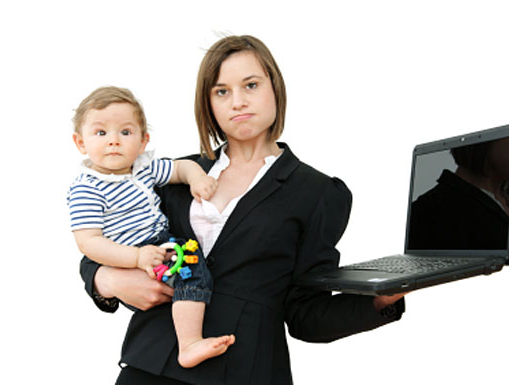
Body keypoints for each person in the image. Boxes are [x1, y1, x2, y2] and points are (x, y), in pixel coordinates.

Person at [80, 36, 407, 385]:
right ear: (208, 103)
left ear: (274, 89)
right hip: (152, 366)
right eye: (221, 91)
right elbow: (100, 242)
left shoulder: (318, 192)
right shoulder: (174, 173)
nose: (238, 101)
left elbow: (305, 313)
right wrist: (108, 280)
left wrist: (381, 299)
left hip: (245, 371)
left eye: (251, 85)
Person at [68, 86, 235, 369]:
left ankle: (187, 340)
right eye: (101, 133)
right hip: (132, 257)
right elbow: (88, 243)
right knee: (193, 272)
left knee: (192, 268)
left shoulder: (143, 168)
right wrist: (135, 258)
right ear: (81, 143)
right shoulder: (87, 189)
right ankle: (190, 342)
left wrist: (196, 179)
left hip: (161, 245)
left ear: (143, 140)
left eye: (125, 132)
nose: (113, 142)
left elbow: (181, 168)